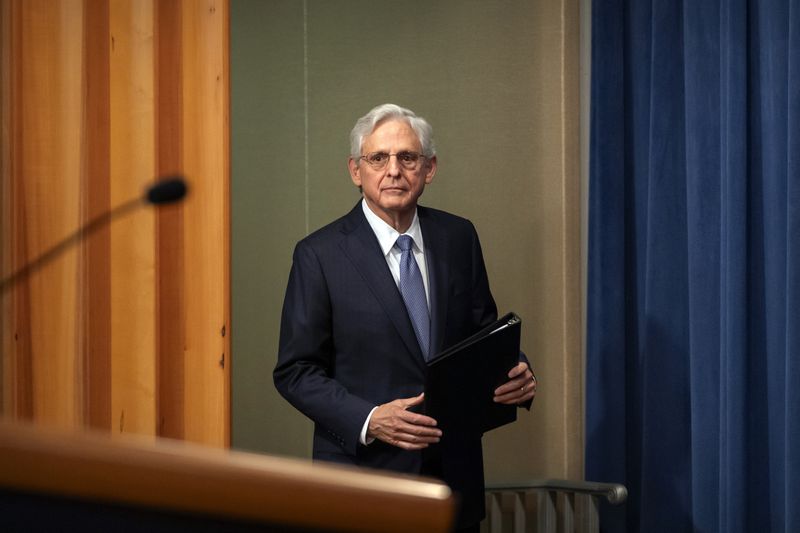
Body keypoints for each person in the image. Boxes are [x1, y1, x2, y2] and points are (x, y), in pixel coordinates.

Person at [273, 103, 536, 532]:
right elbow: (295, 371)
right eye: (379, 158)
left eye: (407, 158)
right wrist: (369, 419)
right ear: (356, 171)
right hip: (363, 482)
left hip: (452, 482)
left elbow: (482, 333)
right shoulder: (318, 255)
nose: (393, 170)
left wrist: (518, 371)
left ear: (429, 169)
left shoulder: (459, 237)